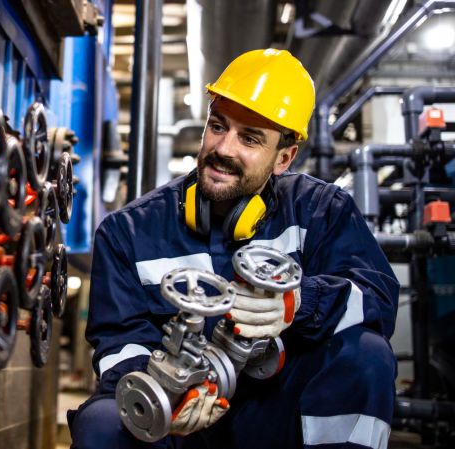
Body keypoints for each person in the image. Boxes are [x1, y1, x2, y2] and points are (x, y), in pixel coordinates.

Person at [67, 48, 399, 449]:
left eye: (250, 138)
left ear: (284, 158)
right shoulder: (127, 232)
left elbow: (377, 298)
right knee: (104, 422)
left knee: (366, 356)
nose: (224, 148)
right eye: (218, 126)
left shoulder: (320, 212)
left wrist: (299, 302)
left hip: (275, 411)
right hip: (179, 421)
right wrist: (168, 399)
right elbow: (120, 346)